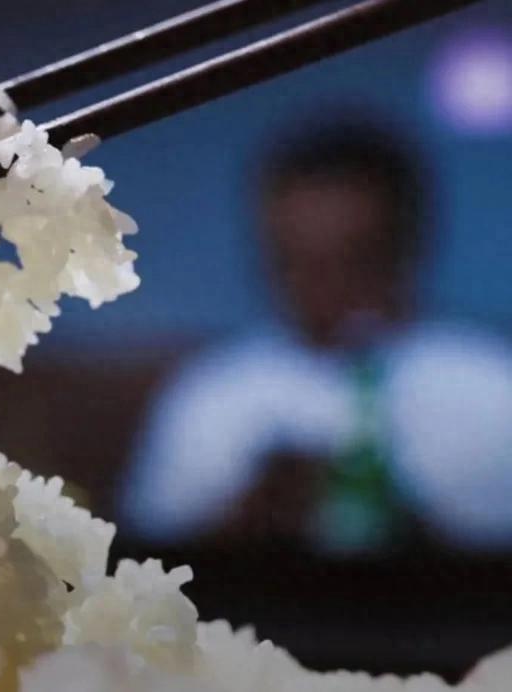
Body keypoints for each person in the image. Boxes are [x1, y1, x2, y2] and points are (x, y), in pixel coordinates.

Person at [119, 121, 512, 553]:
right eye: (294, 261)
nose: (324, 287)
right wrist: (246, 521)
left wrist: (405, 531)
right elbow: (145, 562)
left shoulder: (492, 387)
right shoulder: (209, 394)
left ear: (409, 244)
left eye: (354, 258)